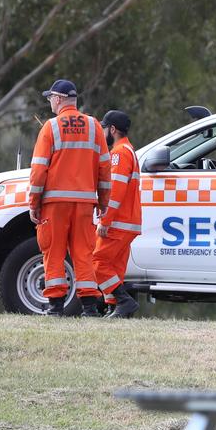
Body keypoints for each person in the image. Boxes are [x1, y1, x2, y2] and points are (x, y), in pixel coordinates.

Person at [29, 79, 111, 317]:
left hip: (54, 204)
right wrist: (103, 203)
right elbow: (105, 169)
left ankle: (55, 306)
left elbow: (38, 170)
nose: (50, 103)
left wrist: (34, 203)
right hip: (85, 203)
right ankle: (89, 307)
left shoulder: (51, 127)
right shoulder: (95, 127)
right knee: (83, 253)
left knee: (53, 252)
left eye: (50, 99)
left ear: (58, 99)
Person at [93, 109, 141, 318]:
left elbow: (116, 191)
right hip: (128, 222)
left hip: (118, 222)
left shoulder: (119, 154)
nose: (102, 133)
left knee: (97, 263)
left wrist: (105, 219)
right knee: (114, 267)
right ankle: (116, 308)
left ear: (112, 130)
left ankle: (124, 302)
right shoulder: (129, 151)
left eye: (104, 128)